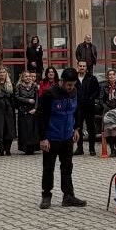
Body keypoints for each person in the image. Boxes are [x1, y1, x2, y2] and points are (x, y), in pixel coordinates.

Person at [36, 67, 85, 209]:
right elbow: (40, 116)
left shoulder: (74, 92)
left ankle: (68, 196)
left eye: (73, 85)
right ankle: (46, 196)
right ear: (62, 81)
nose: (71, 87)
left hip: (67, 137)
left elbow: (77, 111)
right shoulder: (49, 94)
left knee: (67, 167)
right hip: (51, 138)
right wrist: (43, 138)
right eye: (69, 85)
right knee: (48, 168)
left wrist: (77, 128)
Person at [74, 60, 101, 156]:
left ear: (86, 67)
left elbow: (97, 91)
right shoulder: (74, 78)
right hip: (77, 107)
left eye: (84, 66)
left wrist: (90, 99)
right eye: (80, 66)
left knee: (91, 128)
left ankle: (92, 148)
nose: (82, 67)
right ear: (77, 66)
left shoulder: (92, 78)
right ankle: (79, 148)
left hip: (89, 107)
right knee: (78, 127)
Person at [0, 66, 17, 156]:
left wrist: (12, 105)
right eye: (0, 72)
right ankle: (1, 149)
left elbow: (14, 96)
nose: (2, 74)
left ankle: (8, 149)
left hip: (8, 108)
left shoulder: (11, 84)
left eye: (3, 72)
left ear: (6, 74)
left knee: (9, 128)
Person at [15, 69, 41, 155]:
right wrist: (27, 100)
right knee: (24, 129)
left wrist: (35, 108)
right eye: (26, 76)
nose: (28, 78)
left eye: (29, 76)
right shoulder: (19, 86)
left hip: (32, 109)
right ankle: (25, 148)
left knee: (32, 129)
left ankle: (33, 147)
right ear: (22, 77)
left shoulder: (34, 86)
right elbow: (17, 97)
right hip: (23, 109)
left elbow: (37, 98)